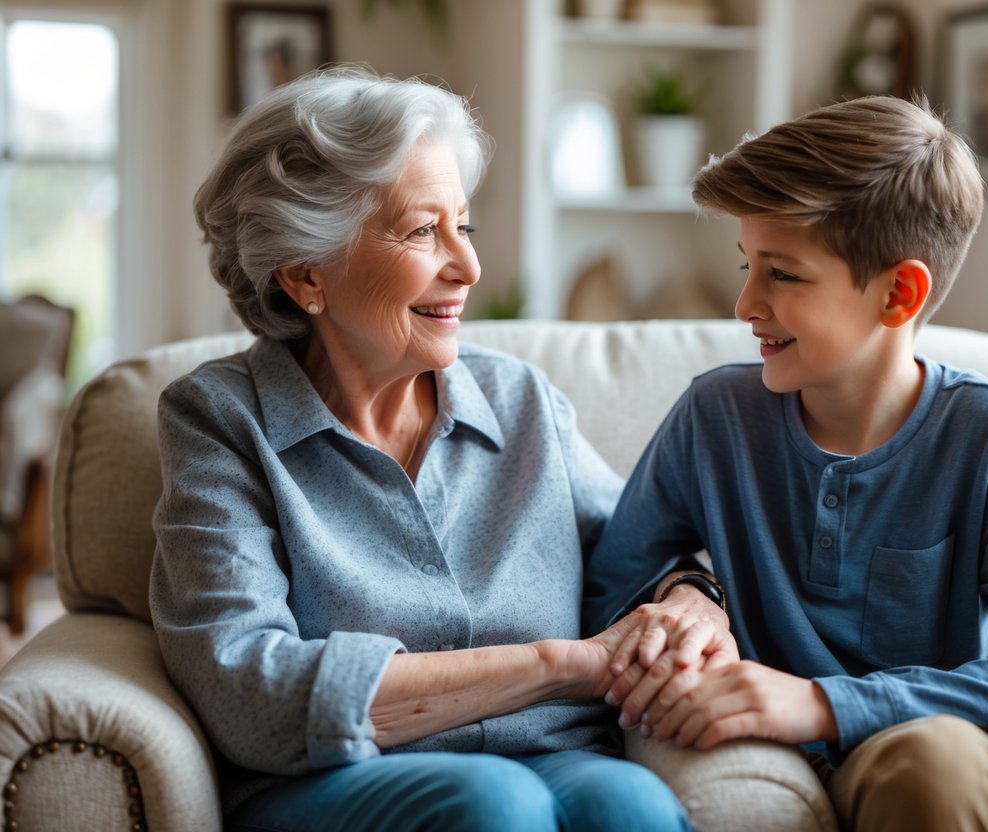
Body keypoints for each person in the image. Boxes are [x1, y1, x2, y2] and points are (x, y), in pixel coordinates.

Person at [585, 94, 988, 831]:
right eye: (746, 265)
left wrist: (821, 701)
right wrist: (693, 590)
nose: (745, 302)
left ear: (899, 293)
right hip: (888, 769)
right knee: (937, 758)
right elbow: (605, 595)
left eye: (781, 274)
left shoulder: (987, 429)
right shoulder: (715, 419)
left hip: (981, 740)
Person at [149, 66, 715, 832]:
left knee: (631, 803)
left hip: (552, 757)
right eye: (422, 231)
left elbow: (645, 551)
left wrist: (688, 599)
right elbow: (250, 690)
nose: (469, 267)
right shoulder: (220, 420)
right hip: (340, 775)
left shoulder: (521, 403)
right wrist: (559, 666)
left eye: (465, 225)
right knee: (491, 803)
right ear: (304, 273)